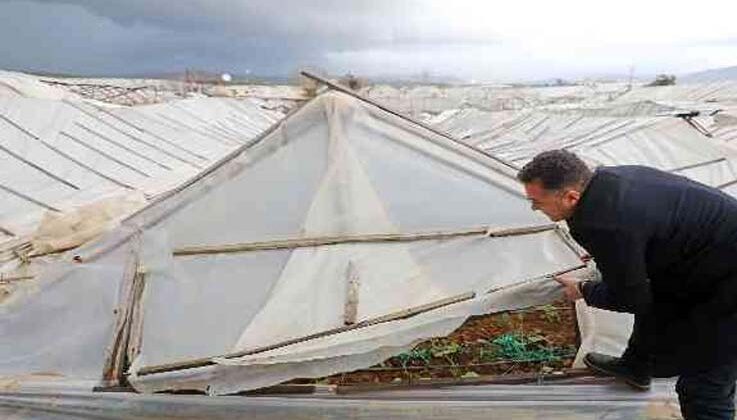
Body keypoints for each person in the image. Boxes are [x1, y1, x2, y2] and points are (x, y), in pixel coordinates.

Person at [517, 149, 737, 420]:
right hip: (708, 258)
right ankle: (635, 367)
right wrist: (613, 257)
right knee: (659, 300)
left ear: (570, 197)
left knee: (705, 382)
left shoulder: (604, 223)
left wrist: (584, 290)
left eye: (537, 202)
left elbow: (631, 298)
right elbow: (637, 254)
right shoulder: (608, 179)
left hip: (727, 283)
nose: (534, 208)